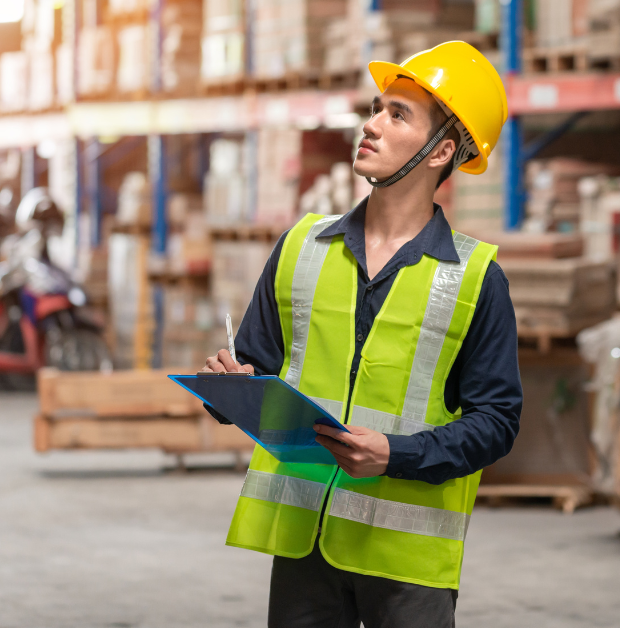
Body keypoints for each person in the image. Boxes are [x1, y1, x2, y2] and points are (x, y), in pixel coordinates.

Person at [201, 41, 522, 627]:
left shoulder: (477, 280)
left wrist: (396, 453)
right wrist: (233, 389)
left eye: (397, 114)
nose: (371, 125)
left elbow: (497, 422)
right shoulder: (302, 247)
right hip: (304, 544)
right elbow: (257, 367)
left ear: (441, 151)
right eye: (376, 108)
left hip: (406, 559)